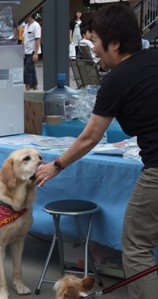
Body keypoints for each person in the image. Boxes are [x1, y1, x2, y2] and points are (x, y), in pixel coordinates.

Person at [35, 4, 158, 298]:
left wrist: (56, 165)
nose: (93, 49)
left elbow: (90, 136)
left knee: (136, 244)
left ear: (114, 43)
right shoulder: (154, 58)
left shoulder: (116, 80)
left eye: (96, 41)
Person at [22, 13, 41, 91]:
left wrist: (36, 53)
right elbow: (23, 39)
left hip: (32, 52)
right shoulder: (26, 25)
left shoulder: (36, 25)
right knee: (31, 70)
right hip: (26, 52)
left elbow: (38, 39)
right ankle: (35, 88)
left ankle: (28, 90)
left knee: (27, 71)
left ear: (30, 16)